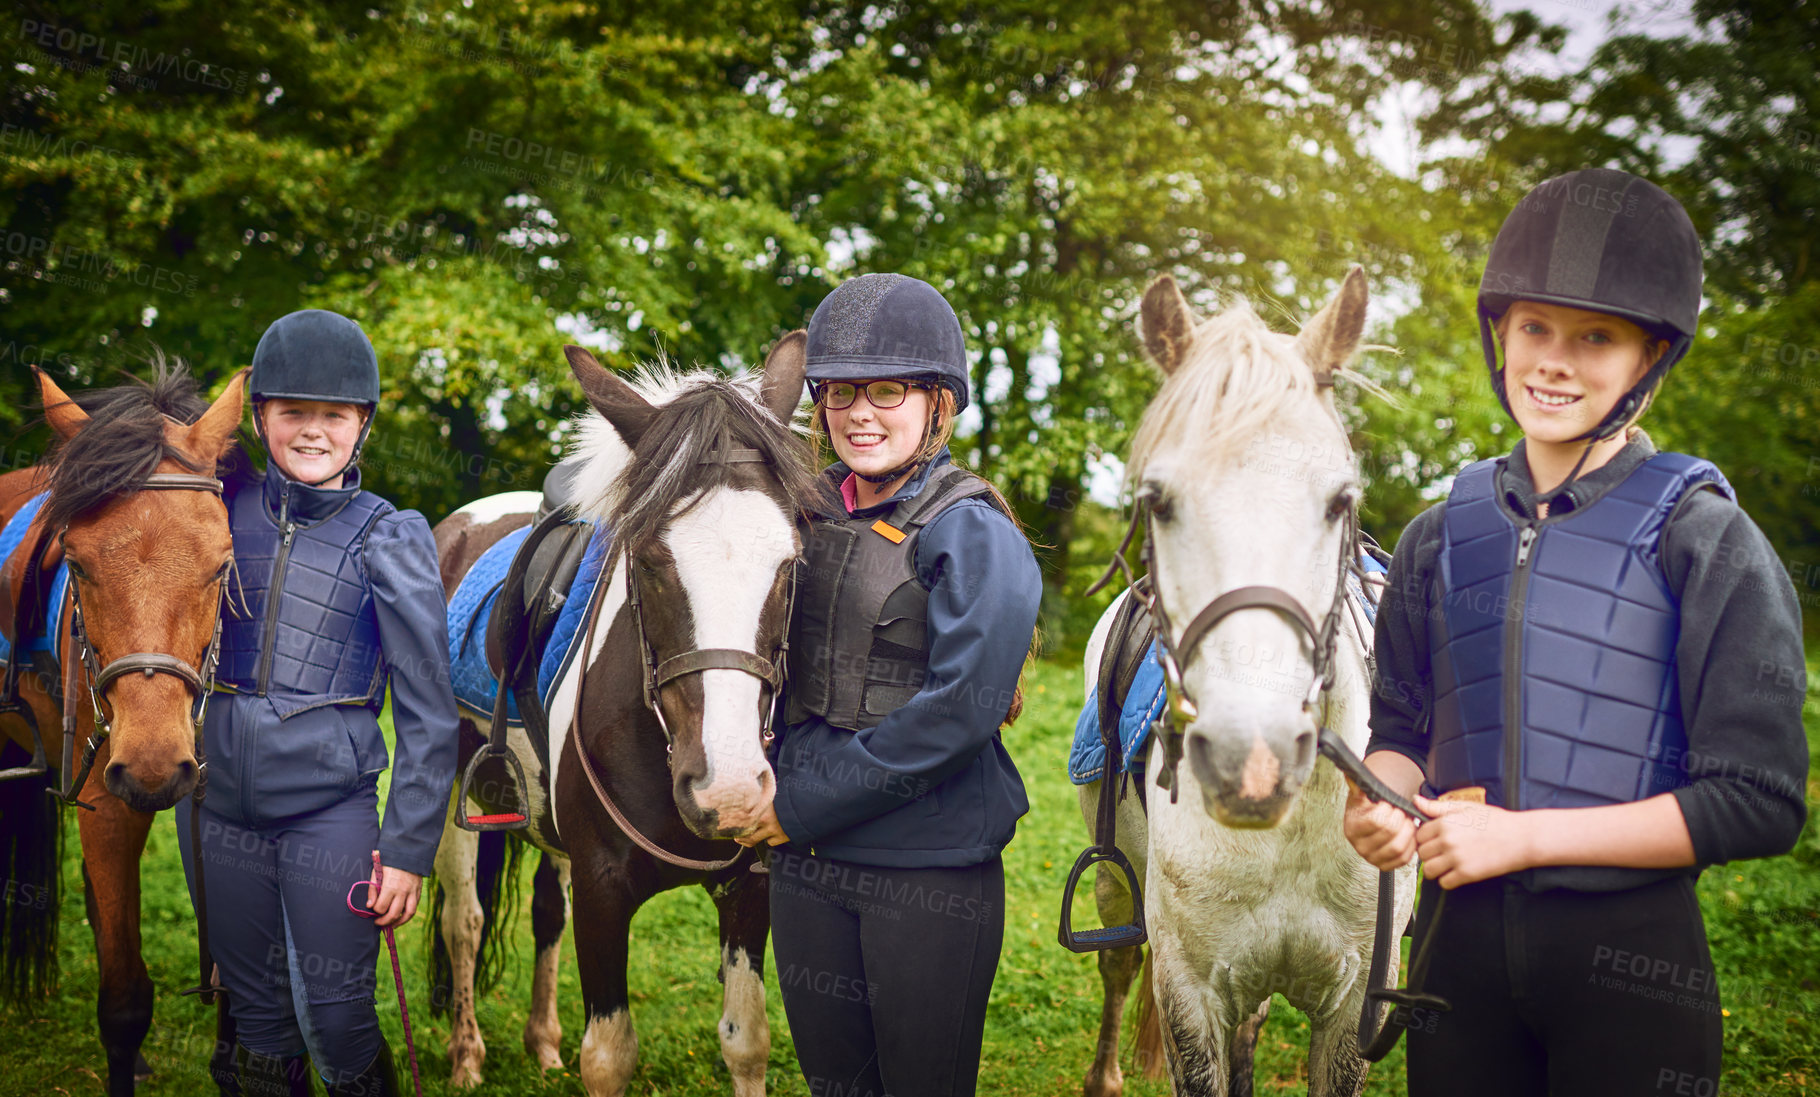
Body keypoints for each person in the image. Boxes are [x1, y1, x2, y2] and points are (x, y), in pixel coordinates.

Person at [1342, 169, 1809, 1094]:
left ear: (1650, 357)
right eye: (1535, 329)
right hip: (1454, 967)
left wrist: (1523, 840)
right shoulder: (1437, 537)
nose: (1554, 361)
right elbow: (1399, 737)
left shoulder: (1704, 536)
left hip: (1630, 969)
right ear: (1500, 336)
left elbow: (1757, 799)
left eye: (1596, 337)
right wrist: (1377, 803)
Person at [736, 274, 1042, 1097]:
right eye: (839, 393)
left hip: (926, 873)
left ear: (938, 403)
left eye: (886, 391)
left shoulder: (972, 531)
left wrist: (794, 806)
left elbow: (957, 713)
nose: (859, 413)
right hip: (805, 868)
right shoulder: (801, 519)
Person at [176, 309, 457, 1097]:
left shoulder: (387, 535)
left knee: (335, 1017)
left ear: (361, 424)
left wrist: (406, 848)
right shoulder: (216, 515)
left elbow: (430, 714)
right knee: (258, 1021)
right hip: (215, 811)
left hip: (327, 814)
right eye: (292, 411)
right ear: (259, 415)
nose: (311, 431)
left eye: (332, 415)